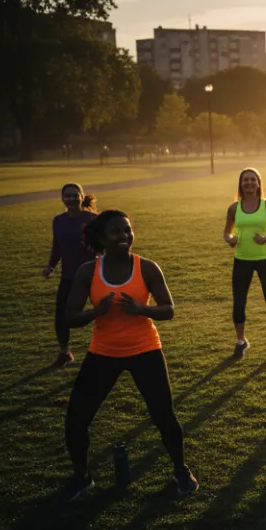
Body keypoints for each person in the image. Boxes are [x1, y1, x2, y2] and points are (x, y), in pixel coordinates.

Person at [62, 210, 198, 500]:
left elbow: (169, 310)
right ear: (102, 238)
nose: (124, 236)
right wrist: (96, 312)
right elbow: (69, 316)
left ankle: (181, 471)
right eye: (116, 232)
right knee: (76, 419)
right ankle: (82, 478)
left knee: (164, 416)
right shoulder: (88, 271)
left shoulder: (146, 268)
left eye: (127, 230)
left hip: (145, 350)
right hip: (103, 353)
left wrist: (142, 309)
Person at [223, 168, 266, 359]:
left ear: (258, 183)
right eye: (245, 180)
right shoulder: (234, 208)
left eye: (253, 180)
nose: (249, 183)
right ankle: (241, 341)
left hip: (265, 259)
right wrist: (230, 239)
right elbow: (226, 232)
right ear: (241, 184)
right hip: (241, 260)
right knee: (239, 303)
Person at [43, 183, 98, 369]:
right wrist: (50, 266)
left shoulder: (92, 219)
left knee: (105, 311)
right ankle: (64, 352)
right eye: (68, 196)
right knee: (61, 314)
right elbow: (57, 246)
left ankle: (111, 350)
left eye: (75, 195)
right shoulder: (58, 221)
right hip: (69, 275)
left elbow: (103, 246)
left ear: (82, 197)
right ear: (62, 198)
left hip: (92, 275)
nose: (72, 199)